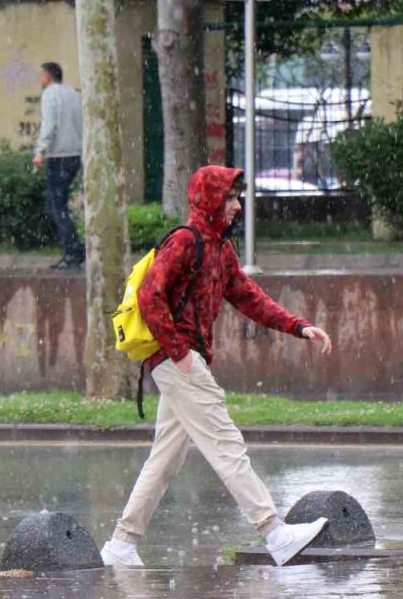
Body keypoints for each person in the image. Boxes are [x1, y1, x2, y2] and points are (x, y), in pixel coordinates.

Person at [100, 165, 336, 568]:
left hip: (181, 360)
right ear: (209, 199)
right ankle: (275, 533)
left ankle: (121, 545)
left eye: (236, 197)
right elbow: (149, 296)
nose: (237, 205)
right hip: (179, 361)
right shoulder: (185, 241)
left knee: (166, 457)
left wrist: (298, 326)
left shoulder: (220, 249)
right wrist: (179, 353)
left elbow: (249, 297)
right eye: (229, 197)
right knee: (225, 443)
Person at [33, 61, 85, 271]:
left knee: (57, 205)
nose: (40, 79)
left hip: (59, 156)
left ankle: (73, 251)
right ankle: (74, 249)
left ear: (47, 76)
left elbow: (49, 125)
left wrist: (40, 151)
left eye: (41, 76)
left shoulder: (49, 94)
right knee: (58, 203)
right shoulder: (73, 93)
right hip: (75, 154)